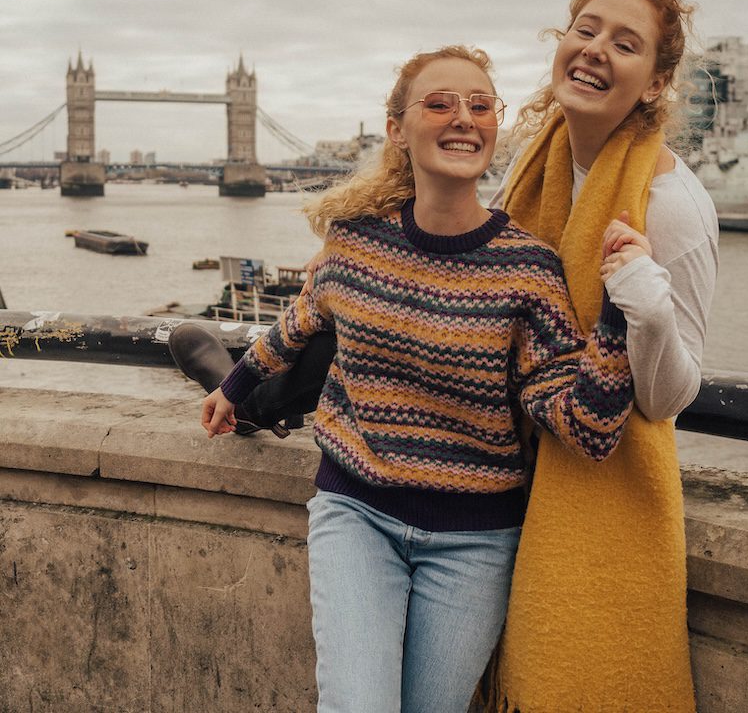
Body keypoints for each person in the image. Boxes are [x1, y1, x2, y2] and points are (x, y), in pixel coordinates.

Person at [200, 45, 637, 713]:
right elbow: (300, 318)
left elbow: (590, 429)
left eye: (480, 105)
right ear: (397, 130)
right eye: (439, 103)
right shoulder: (355, 240)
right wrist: (231, 389)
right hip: (356, 513)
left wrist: (617, 315)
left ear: (495, 126)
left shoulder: (529, 269)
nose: (463, 117)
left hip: (475, 541)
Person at [478, 0, 718, 713]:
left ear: (653, 83)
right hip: (505, 469)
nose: (593, 51)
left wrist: (643, 300)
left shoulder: (670, 203)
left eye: (625, 43)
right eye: (585, 30)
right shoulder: (533, 163)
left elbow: (674, 394)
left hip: (599, 482)